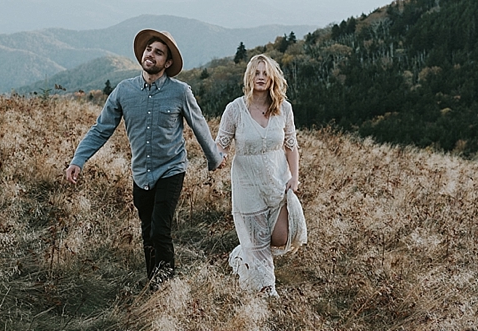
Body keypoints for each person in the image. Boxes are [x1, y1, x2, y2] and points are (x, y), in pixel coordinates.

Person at [65, 29, 226, 286]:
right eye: (149, 49)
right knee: (147, 232)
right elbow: (101, 129)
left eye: (158, 52)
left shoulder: (180, 92)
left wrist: (214, 158)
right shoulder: (123, 91)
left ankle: (167, 287)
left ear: (167, 62)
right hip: (141, 173)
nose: (151, 55)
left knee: (160, 230)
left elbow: (199, 126)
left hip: (171, 169)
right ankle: (154, 283)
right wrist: (78, 160)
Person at [216, 54, 307, 297]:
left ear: (273, 78)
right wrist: (217, 158)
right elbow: (221, 144)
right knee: (258, 242)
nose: (261, 77)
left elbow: (291, 145)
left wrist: (295, 178)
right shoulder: (235, 109)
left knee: (282, 237)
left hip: (277, 181)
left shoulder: (284, 108)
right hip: (247, 184)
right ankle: (267, 291)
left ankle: (240, 254)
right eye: (256, 73)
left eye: (265, 73)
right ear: (249, 77)